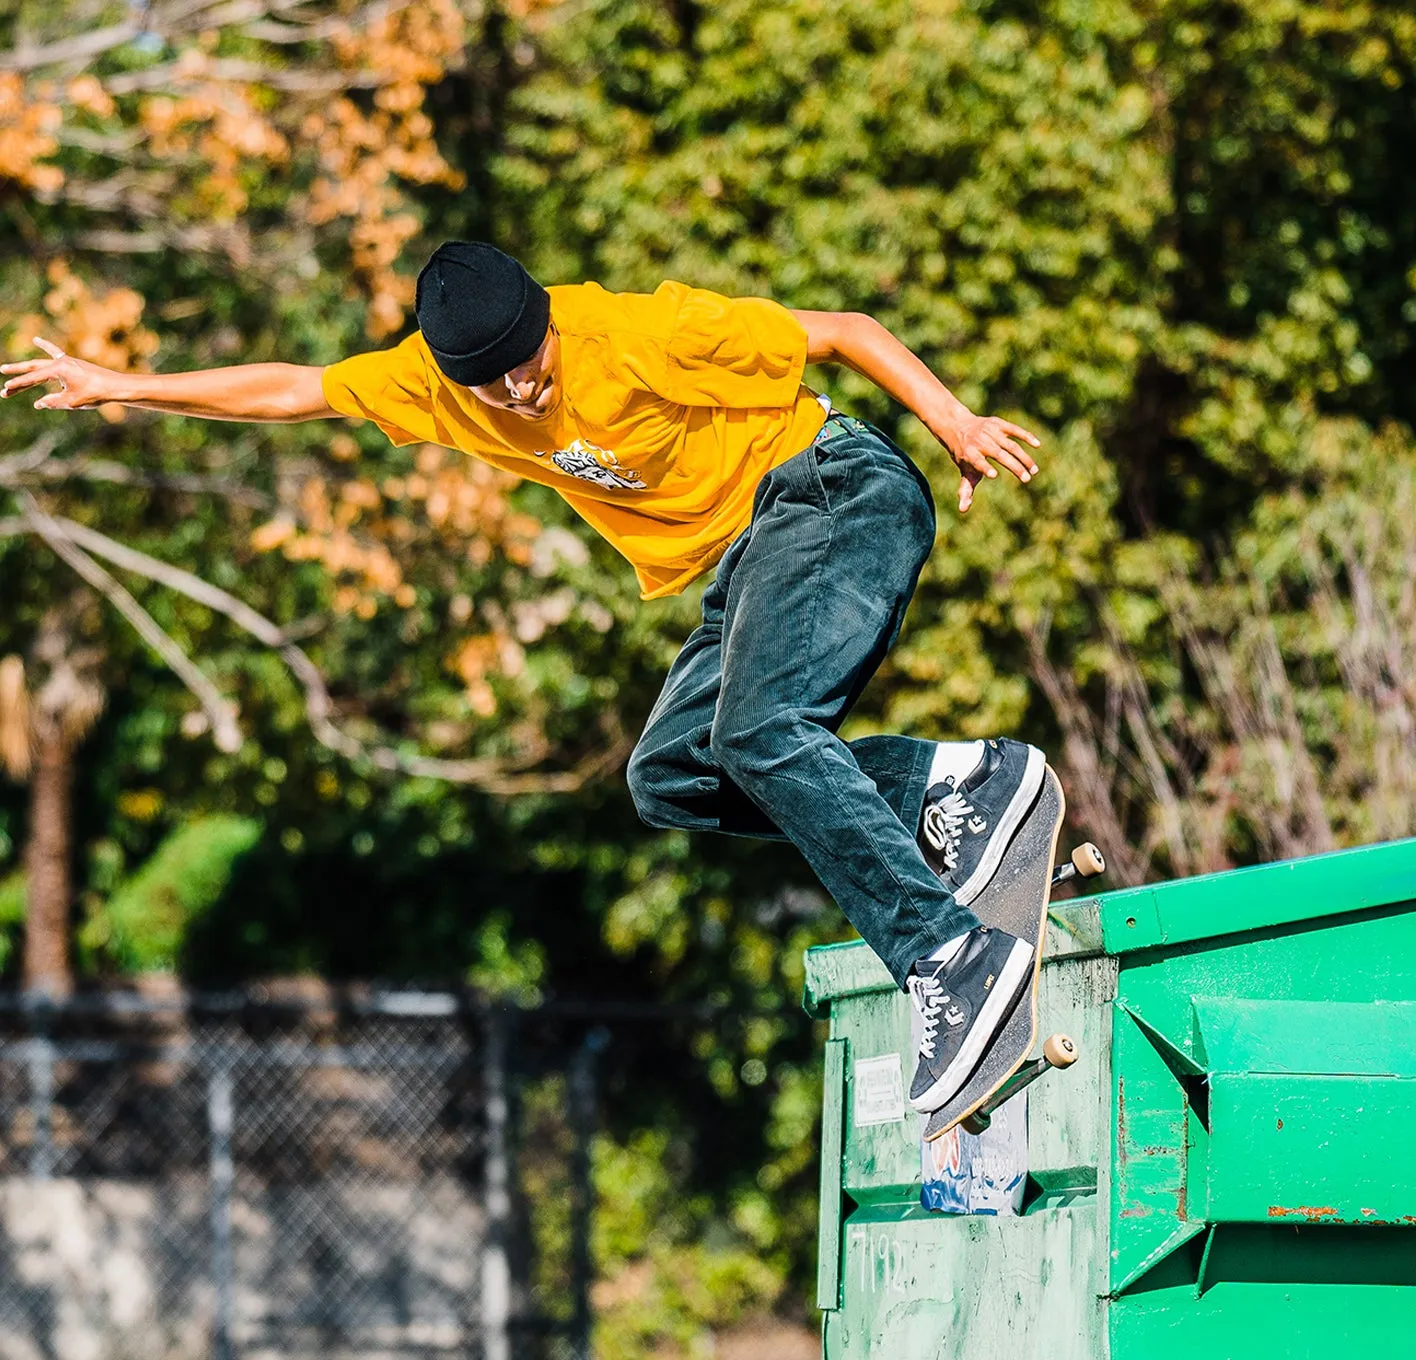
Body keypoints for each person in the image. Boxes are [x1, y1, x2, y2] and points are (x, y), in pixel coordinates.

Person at [2, 242, 1045, 1112]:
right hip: (750, 555)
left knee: (765, 727)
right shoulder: (428, 382)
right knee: (673, 776)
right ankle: (955, 787)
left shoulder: (635, 332)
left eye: (525, 363)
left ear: (547, 320)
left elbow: (844, 329)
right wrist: (125, 384)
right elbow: (295, 388)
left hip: (832, 489)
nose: (515, 389)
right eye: (487, 380)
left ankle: (950, 957)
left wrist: (951, 420)